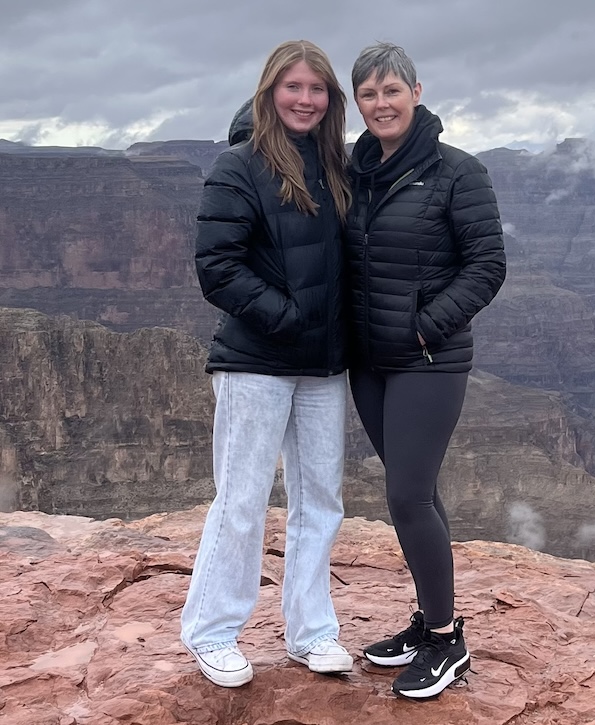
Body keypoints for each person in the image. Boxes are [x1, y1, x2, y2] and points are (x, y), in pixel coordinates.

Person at [180, 40, 353, 688]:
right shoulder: (239, 166)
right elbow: (216, 267)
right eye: (293, 87)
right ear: (270, 91)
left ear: (329, 99)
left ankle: (312, 631)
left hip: (325, 366)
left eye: (317, 89)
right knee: (244, 498)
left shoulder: (337, 165)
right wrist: (287, 317)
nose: (305, 99)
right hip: (256, 360)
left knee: (320, 500)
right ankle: (211, 630)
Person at [345, 42, 506, 699]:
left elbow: (487, 266)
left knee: (407, 495)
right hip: (369, 361)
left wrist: (424, 324)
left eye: (391, 90)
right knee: (420, 492)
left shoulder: (456, 172)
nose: (381, 103)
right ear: (357, 103)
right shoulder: (358, 171)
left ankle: (446, 640)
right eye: (369, 94)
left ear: (416, 91)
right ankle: (427, 619)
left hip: (428, 360)